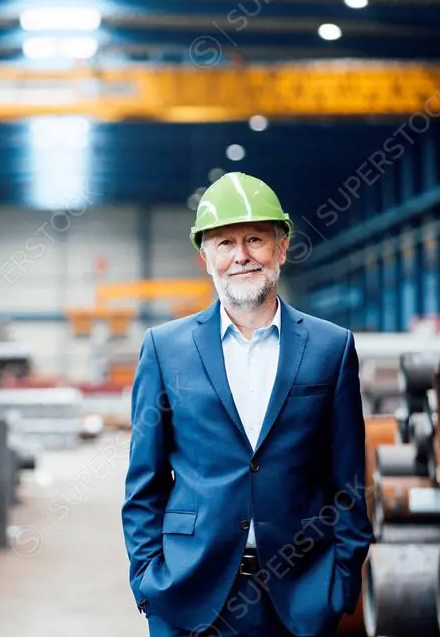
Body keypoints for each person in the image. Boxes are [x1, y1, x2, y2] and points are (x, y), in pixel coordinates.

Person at [121, 172, 373, 637]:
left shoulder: (330, 348)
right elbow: (144, 485)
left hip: (299, 599)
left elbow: (349, 484)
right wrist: (148, 584)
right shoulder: (165, 349)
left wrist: (339, 589)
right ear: (206, 258)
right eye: (225, 243)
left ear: (281, 248)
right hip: (189, 596)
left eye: (255, 239)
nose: (241, 256)